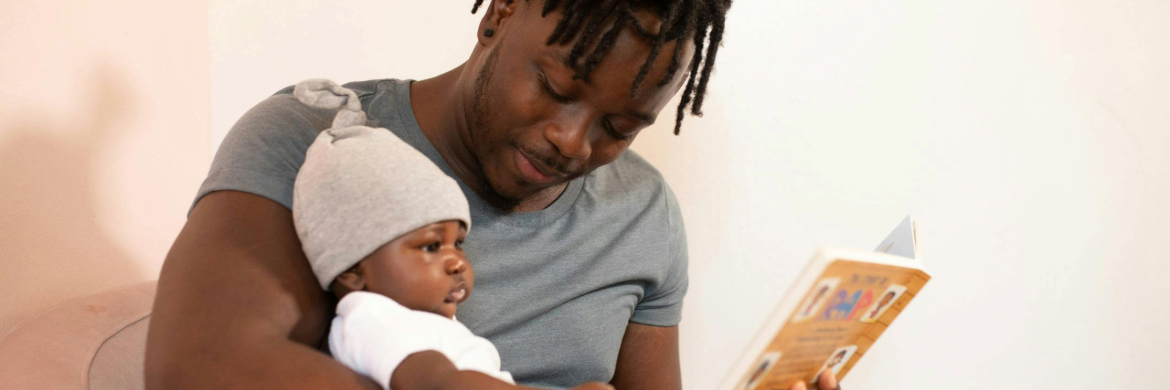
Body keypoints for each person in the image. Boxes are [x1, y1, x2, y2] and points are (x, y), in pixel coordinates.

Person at [145, 1, 840, 389]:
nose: (573, 142)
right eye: (557, 89)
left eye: (620, 127)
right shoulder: (318, 140)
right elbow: (198, 367)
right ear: (498, 15)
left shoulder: (644, 215)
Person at [289, 79, 610, 390]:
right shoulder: (372, 319)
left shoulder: (420, 321)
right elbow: (438, 383)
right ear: (353, 271)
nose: (457, 262)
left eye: (457, 243)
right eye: (430, 246)